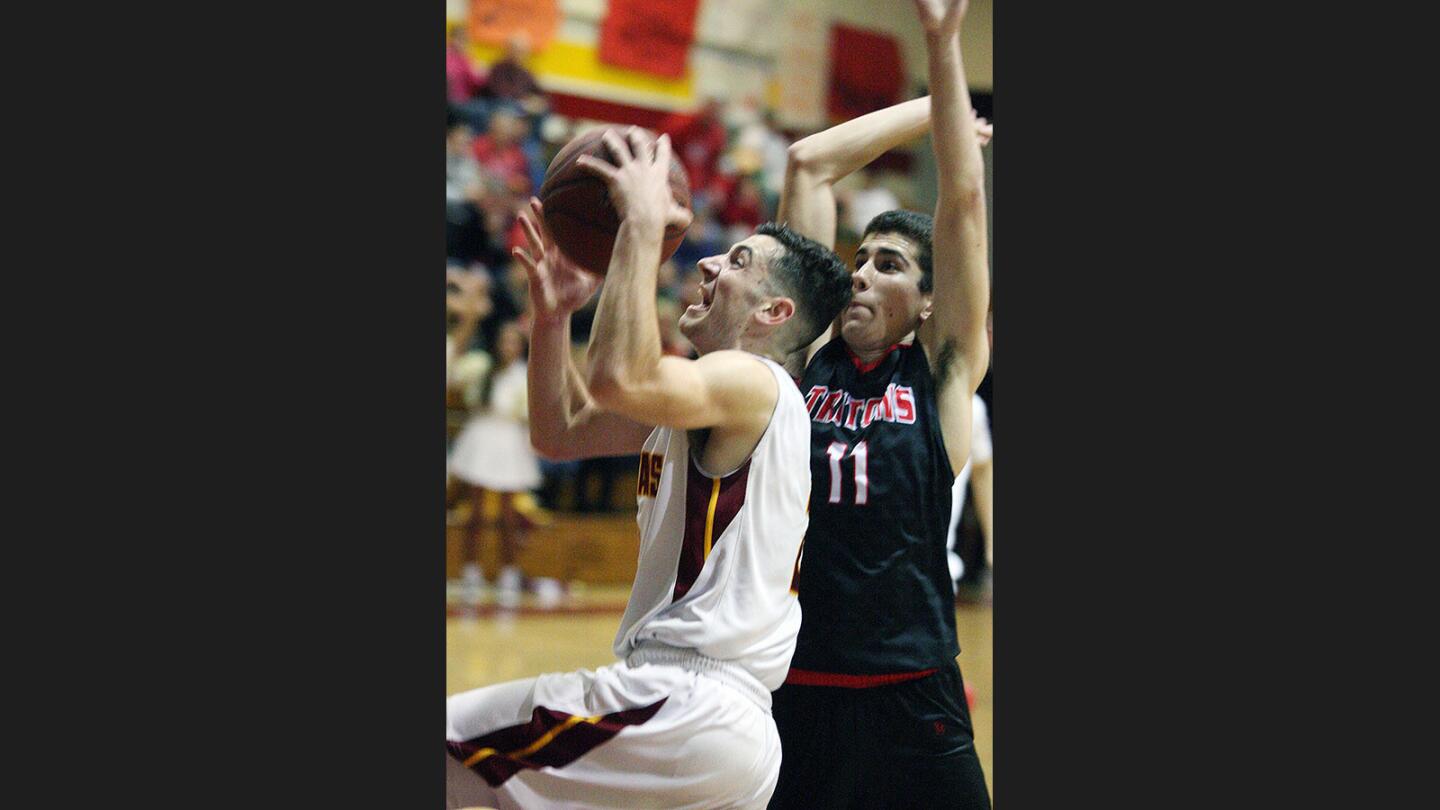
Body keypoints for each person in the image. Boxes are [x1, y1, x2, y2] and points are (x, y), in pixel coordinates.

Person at [445, 129, 853, 809]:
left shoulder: (753, 381)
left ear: (773, 313)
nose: (710, 263)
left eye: (740, 261)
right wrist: (553, 321)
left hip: (684, 702)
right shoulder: (705, 398)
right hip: (723, 735)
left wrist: (637, 219)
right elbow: (560, 432)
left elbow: (617, 376)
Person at [765, 1, 994, 807]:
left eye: (890, 265)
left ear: (930, 302)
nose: (860, 273)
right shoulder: (806, 358)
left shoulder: (939, 370)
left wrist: (941, 48)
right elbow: (808, 166)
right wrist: (934, 107)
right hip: (798, 682)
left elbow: (964, 202)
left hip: (913, 687)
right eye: (859, 260)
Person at [447, 320, 542, 608]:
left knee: (508, 513)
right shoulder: (481, 368)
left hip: (509, 441)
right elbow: (455, 377)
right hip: (482, 438)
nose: (508, 347)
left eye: (514, 342)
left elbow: (530, 411)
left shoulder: (525, 373)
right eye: (504, 341)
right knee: (474, 511)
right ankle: (471, 570)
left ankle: (509, 572)